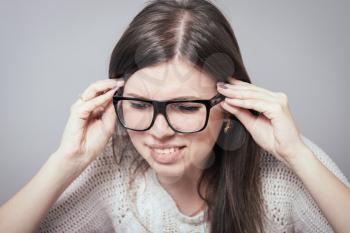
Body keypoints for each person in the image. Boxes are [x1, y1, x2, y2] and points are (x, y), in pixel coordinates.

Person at [1, 0, 350, 232]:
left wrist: (297, 155)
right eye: (139, 104)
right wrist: (66, 160)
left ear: (229, 106)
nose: (159, 131)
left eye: (185, 107)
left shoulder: (284, 171)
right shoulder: (114, 168)